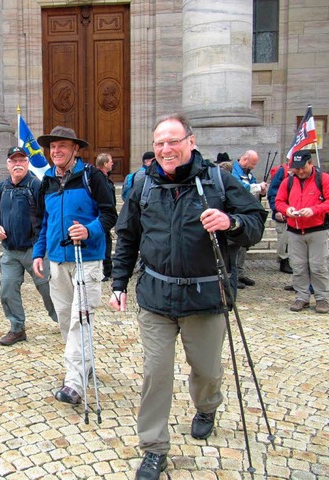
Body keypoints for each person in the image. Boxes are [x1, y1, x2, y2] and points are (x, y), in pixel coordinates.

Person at [109, 113, 267, 480]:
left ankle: (207, 406)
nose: (166, 148)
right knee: (156, 374)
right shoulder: (141, 186)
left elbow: (255, 221)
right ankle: (153, 448)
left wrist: (233, 223)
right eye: (159, 142)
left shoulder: (218, 180)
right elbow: (127, 236)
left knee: (207, 371)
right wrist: (119, 282)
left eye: (173, 141)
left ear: (190, 142)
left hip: (206, 297)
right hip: (156, 296)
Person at [32, 126, 117, 405]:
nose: (56, 151)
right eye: (53, 146)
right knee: (66, 320)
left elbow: (109, 215)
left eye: (63, 146)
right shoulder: (46, 181)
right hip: (57, 261)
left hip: (87, 259)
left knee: (80, 321)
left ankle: (74, 384)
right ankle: (84, 364)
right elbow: (45, 222)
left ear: (75, 150)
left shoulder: (93, 177)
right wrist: (38, 252)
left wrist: (90, 230)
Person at [0, 147, 57, 346]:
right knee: (7, 289)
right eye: (13, 160)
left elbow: (48, 215)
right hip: (10, 251)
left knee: (48, 289)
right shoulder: (1, 188)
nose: (17, 164)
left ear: (27, 163)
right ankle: (17, 328)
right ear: (8, 164)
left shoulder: (36, 186)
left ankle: (64, 321)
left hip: (34, 249)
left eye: (21, 160)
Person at [275, 150, 329, 314]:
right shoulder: (288, 181)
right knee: (298, 266)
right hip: (295, 230)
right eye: (297, 168)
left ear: (310, 163)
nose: (301, 171)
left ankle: (321, 298)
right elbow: (279, 201)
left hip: (317, 229)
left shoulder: (323, 179)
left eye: (303, 167)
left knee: (318, 266)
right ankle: (302, 297)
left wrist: (315, 210)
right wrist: (287, 209)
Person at [231, 150, 267, 288]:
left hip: (248, 212)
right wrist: (258, 187)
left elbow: (252, 187)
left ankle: (240, 273)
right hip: (238, 213)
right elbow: (239, 188)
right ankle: (234, 275)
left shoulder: (248, 173)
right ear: (245, 159)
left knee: (244, 246)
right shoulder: (233, 171)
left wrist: (261, 190)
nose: (253, 166)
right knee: (236, 247)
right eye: (252, 163)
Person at [267, 161, 293, 274]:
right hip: (282, 212)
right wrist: (276, 209)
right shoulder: (283, 171)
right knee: (283, 239)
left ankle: (289, 261)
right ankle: (283, 261)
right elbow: (273, 192)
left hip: (294, 213)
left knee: (290, 240)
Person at [95, 152, 116, 280]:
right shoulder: (98, 180)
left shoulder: (105, 179)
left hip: (106, 216)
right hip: (100, 217)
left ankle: (107, 270)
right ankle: (104, 271)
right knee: (103, 244)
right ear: (104, 164)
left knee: (107, 243)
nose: (112, 163)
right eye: (110, 161)